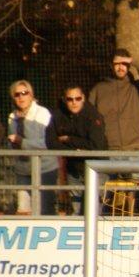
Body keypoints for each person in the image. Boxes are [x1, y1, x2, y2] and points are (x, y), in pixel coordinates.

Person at [46, 86, 106, 215]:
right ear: (64, 100)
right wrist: (75, 149)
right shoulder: (58, 115)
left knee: (94, 211)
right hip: (74, 170)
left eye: (77, 98)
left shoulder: (93, 115)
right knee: (76, 211)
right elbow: (51, 142)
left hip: (96, 169)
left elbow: (96, 146)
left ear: (83, 98)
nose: (74, 102)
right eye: (70, 99)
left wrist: (68, 139)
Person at [89, 48, 139, 151]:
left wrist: (135, 62)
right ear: (111, 66)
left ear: (129, 66)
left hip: (132, 150)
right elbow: (88, 115)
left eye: (124, 64)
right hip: (107, 150)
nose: (120, 67)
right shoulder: (98, 89)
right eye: (117, 64)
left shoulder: (136, 88)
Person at [7, 80, 59, 215]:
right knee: (23, 209)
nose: (21, 97)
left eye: (24, 93)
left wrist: (22, 142)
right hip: (22, 170)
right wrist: (12, 143)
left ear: (31, 95)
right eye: (17, 94)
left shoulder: (43, 113)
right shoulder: (12, 117)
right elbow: (12, 145)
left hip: (44, 169)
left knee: (45, 209)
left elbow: (48, 143)